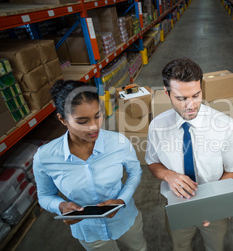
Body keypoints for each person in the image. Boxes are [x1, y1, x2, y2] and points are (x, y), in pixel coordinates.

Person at [145, 58, 233, 251]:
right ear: (167, 93)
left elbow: (232, 171)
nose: (190, 105)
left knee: (215, 247)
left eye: (196, 95)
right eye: (181, 98)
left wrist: (214, 206)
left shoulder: (225, 126)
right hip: (177, 206)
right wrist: (169, 175)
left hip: (215, 208)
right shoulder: (157, 126)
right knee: (180, 246)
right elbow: (152, 163)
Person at [33, 80, 147, 251]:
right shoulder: (45, 157)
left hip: (125, 219)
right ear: (62, 119)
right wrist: (61, 206)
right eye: (82, 121)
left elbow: (135, 173)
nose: (94, 126)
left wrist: (121, 200)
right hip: (89, 232)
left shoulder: (118, 143)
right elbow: (44, 195)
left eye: (97, 115)